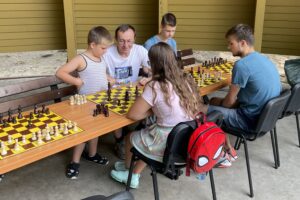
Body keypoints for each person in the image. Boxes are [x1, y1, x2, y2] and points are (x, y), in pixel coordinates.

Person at [110, 42, 208, 188]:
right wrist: (158, 108)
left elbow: (134, 114)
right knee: (148, 135)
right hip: (188, 138)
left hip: (167, 142)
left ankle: (131, 174)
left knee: (130, 137)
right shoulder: (185, 79)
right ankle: (130, 167)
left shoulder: (155, 86)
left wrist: (153, 109)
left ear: (154, 63)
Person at [208, 24, 281, 168]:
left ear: (242, 43)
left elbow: (229, 103)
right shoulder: (264, 59)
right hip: (266, 119)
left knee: (200, 110)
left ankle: (222, 155)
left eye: (231, 43)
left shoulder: (242, 65)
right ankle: (228, 148)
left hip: (249, 120)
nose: (229, 47)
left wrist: (216, 104)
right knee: (213, 101)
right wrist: (218, 101)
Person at [56, 26, 113, 179]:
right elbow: (60, 72)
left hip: (100, 100)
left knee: (96, 130)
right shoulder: (81, 59)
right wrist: (75, 80)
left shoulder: (101, 57)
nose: (105, 51)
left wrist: (109, 78)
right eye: (103, 47)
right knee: (83, 134)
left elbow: (100, 72)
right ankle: (75, 162)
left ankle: (92, 154)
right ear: (92, 45)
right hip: (85, 103)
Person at [103, 24, 151, 159]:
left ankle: (139, 132)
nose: (125, 45)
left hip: (132, 91)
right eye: (121, 40)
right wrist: (106, 77)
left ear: (134, 39)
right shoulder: (107, 52)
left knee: (151, 99)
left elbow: (153, 70)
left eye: (129, 41)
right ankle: (119, 141)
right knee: (111, 111)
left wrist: (149, 78)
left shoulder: (140, 50)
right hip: (112, 93)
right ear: (115, 39)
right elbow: (96, 70)